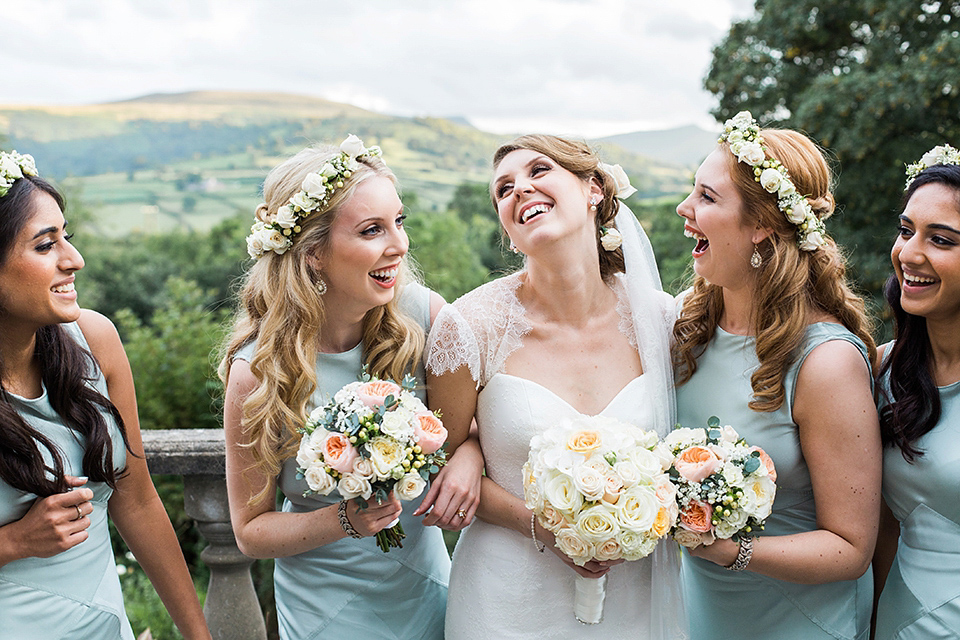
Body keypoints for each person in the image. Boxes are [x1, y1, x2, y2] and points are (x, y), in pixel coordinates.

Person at [221, 135, 482, 640]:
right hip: (326, 610)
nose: (399, 245)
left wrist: (468, 455)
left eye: (398, 222)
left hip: (427, 591)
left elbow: (470, 430)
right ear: (314, 253)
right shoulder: (256, 371)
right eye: (371, 230)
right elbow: (251, 532)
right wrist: (343, 519)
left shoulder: (427, 318)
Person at [426, 134, 686, 639]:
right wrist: (536, 519)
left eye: (538, 171)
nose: (519, 189)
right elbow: (441, 457)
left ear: (593, 189)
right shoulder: (469, 326)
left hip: (637, 600)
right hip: (508, 599)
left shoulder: (662, 319)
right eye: (503, 189)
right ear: (508, 230)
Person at [673, 112, 881, 640]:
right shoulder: (687, 325)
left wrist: (727, 549)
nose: (684, 209)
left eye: (707, 197)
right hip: (694, 614)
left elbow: (851, 547)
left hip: (799, 622)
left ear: (762, 226)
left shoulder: (825, 362)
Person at [0, 151, 210, 639]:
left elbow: (135, 501)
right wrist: (13, 542)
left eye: (66, 237)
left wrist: (199, 635)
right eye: (45, 245)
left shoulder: (95, 340)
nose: (74, 260)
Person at [873, 145, 960, 639]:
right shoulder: (885, 368)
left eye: (941, 239)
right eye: (906, 230)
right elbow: (884, 529)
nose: (908, 253)